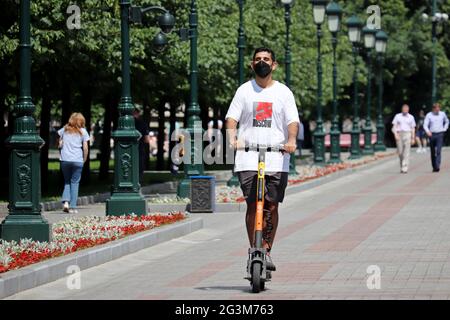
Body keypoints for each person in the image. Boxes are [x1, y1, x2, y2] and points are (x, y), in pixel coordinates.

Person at [225, 47, 300, 271]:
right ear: (251, 64)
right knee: (253, 205)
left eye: (266, 59)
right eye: (258, 59)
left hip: (277, 156)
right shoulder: (244, 91)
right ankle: (254, 249)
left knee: (272, 206)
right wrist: (232, 138)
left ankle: (266, 249)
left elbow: (292, 121)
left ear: (274, 65)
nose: (262, 62)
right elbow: (231, 118)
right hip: (248, 157)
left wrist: (292, 140)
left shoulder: (283, 92)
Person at [58, 113, 90, 213]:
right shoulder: (83, 131)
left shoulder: (64, 130)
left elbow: (59, 144)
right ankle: (72, 206)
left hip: (65, 159)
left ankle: (66, 202)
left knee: (67, 181)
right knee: (75, 182)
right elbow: (85, 148)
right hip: (77, 160)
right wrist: (84, 159)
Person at [424, 103, 449, 172]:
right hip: (432, 134)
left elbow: (447, 121)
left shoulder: (442, 114)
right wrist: (428, 131)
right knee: (432, 151)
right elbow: (425, 125)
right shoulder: (429, 115)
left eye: (438, 108)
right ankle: (434, 166)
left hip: (440, 134)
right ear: (433, 109)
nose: (437, 110)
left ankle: (437, 166)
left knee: (438, 151)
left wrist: (445, 128)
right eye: (436, 108)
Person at [392, 104, 416, 173]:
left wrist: (413, 138)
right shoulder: (397, 116)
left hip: (408, 133)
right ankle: (402, 165)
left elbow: (413, 128)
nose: (405, 110)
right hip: (399, 134)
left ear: (408, 110)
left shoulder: (411, 117)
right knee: (400, 152)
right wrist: (395, 134)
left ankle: (405, 167)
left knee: (406, 151)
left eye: (406, 109)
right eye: (404, 109)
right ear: (402, 109)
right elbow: (394, 126)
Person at [133, 107, 151, 183]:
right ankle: (137, 182)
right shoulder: (142, 124)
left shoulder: (123, 123)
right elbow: (147, 140)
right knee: (139, 167)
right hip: (139, 148)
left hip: (128, 149)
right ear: (138, 113)